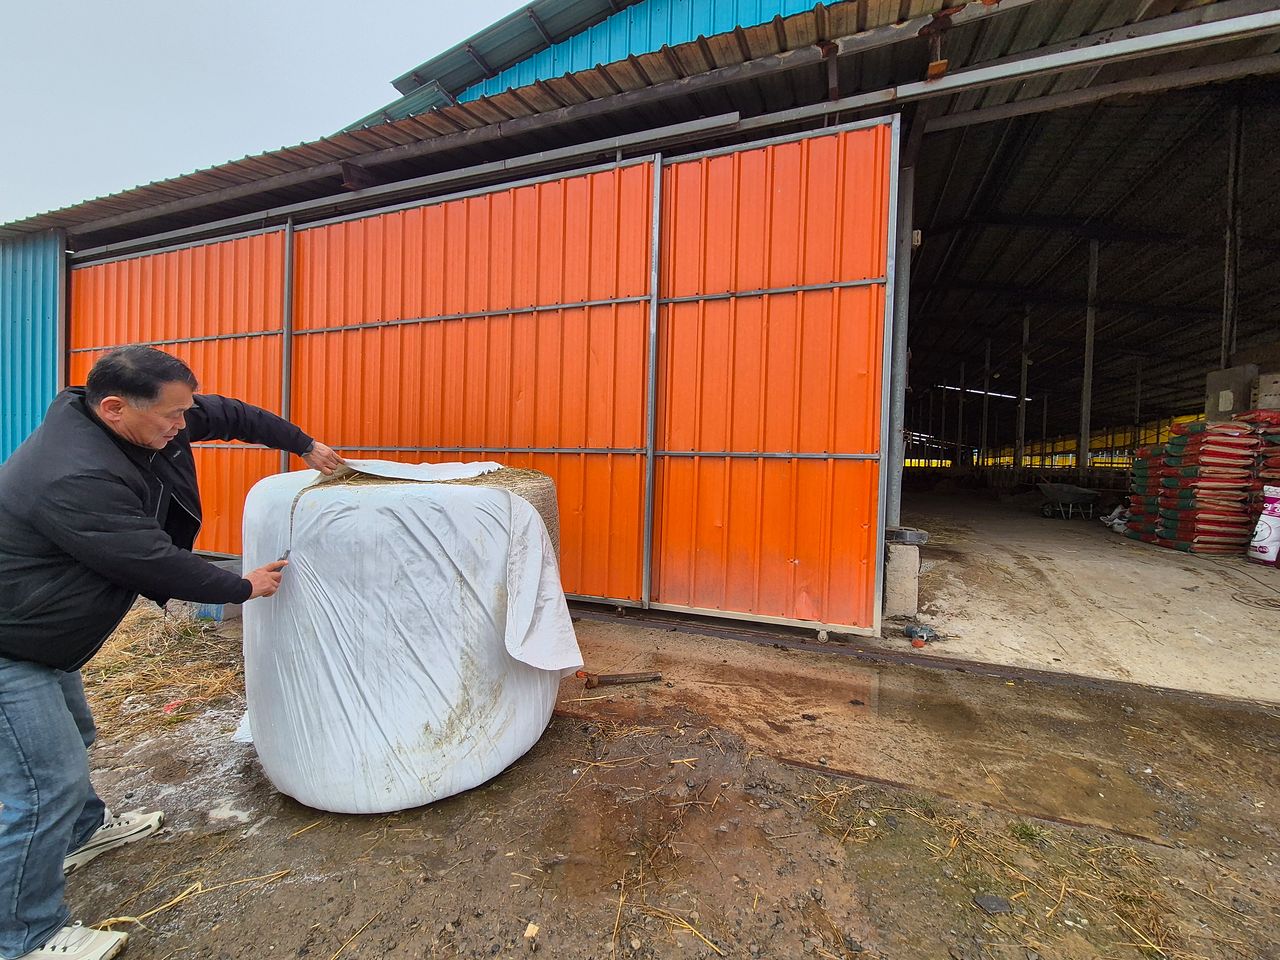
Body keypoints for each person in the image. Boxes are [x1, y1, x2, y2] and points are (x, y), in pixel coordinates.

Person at [0, 346, 344, 960]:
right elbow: (146, 559)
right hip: (10, 643)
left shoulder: (144, 418)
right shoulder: (73, 475)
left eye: (185, 411)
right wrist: (241, 586)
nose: (184, 426)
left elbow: (232, 415)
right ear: (114, 408)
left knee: (74, 737)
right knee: (44, 785)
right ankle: (24, 938)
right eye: (174, 416)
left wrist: (303, 444)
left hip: (42, 635)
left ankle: (82, 832)